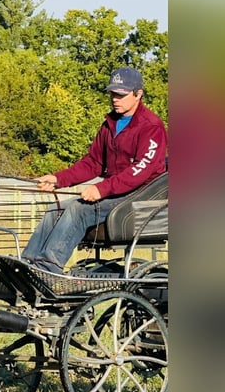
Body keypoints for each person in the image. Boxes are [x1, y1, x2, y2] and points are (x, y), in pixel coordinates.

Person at [21, 67, 168, 274]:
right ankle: (28, 265)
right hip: (116, 192)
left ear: (138, 94)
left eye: (121, 94)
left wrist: (102, 189)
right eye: (112, 94)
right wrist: (58, 179)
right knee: (55, 209)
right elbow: (93, 162)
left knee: (78, 210)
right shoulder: (110, 124)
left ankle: (48, 269)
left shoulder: (151, 126)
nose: (115, 99)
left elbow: (141, 170)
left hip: (140, 196)